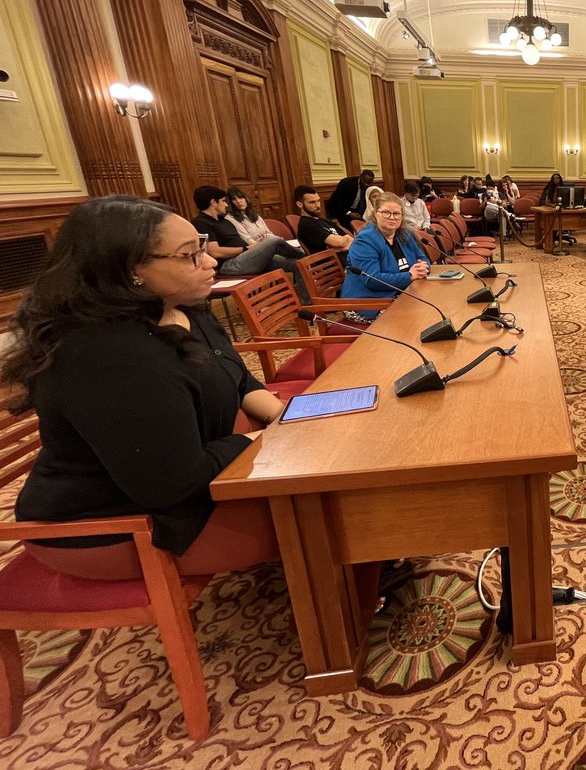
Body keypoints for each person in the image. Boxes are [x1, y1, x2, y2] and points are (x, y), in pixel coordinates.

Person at [1, 196, 282, 579]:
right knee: (322, 508)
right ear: (131, 268)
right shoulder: (106, 354)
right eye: (189, 255)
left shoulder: (181, 308)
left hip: (184, 484)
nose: (210, 261)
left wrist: (281, 416)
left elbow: (237, 374)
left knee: (330, 474)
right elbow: (174, 484)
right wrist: (260, 442)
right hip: (111, 523)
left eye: (201, 246)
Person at [191, 186, 306, 292]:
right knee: (273, 241)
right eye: (223, 201)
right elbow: (215, 252)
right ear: (213, 202)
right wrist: (245, 248)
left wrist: (250, 250)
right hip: (230, 265)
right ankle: (305, 255)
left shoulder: (223, 221)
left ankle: (307, 303)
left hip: (246, 259)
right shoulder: (201, 222)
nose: (227, 205)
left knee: (297, 264)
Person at [340, 191, 431, 319]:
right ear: (376, 213)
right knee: (419, 316)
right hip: (369, 302)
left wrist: (423, 267)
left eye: (396, 214)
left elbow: (422, 257)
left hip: (403, 293)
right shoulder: (365, 241)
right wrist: (409, 276)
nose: (392, 217)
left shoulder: (404, 233)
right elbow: (372, 279)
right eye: (386, 213)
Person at [294, 185, 355, 265]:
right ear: (300, 204)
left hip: (349, 258)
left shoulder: (323, 220)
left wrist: (341, 245)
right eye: (312, 202)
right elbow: (339, 242)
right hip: (334, 265)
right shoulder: (306, 225)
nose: (318, 205)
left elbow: (351, 240)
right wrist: (342, 243)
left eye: (318, 201)